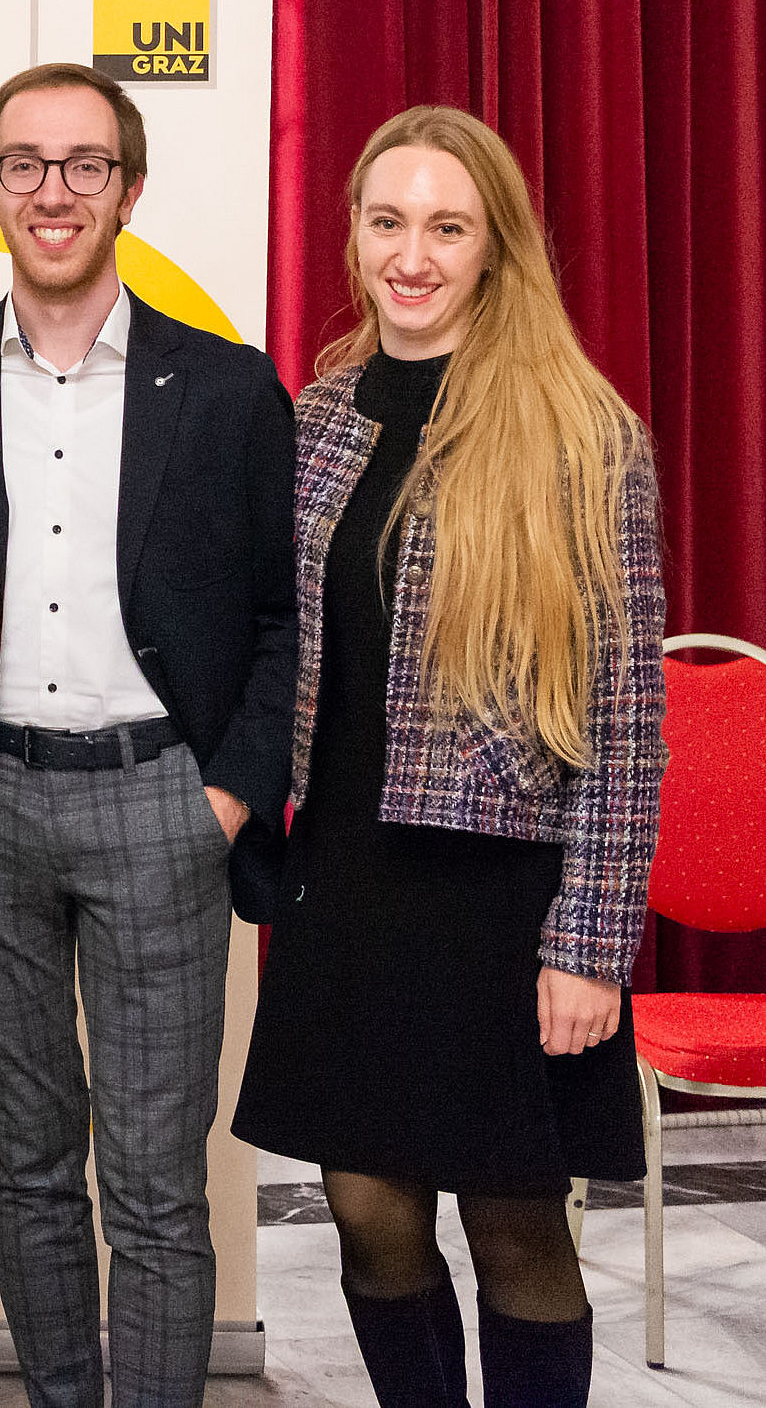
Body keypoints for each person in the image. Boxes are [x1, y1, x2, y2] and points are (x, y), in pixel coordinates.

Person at [233, 104, 664, 1408]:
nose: (410, 253)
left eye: (445, 225)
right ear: (356, 232)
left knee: (518, 1227)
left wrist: (590, 937)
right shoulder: (319, 414)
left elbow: (630, 717)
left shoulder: (584, 435)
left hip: (506, 894)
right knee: (369, 1209)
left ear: (493, 246)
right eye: (387, 220)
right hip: (347, 882)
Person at [0, 62, 297, 1408]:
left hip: (163, 804)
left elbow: (280, 620)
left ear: (130, 189)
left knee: (152, 1181)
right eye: (25, 162)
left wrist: (231, 796)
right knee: (28, 1160)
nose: (53, 189)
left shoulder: (229, 388)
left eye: (85, 163)